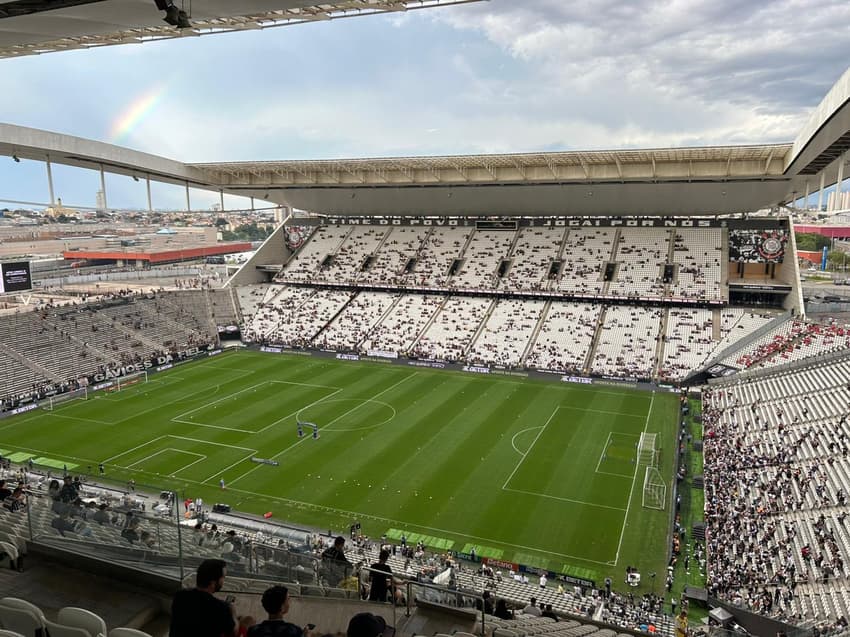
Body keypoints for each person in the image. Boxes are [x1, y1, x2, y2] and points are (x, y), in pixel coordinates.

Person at [170, 559, 236, 637]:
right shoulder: (221, 608)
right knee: (246, 620)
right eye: (223, 577)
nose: (224, 580)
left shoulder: (180, 596)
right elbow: (233, 633)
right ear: (212, 583)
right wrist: (233, 613)